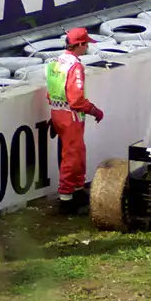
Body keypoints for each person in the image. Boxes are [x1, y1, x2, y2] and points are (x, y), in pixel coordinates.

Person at [46, 27, 105, 214]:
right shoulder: (75, 66)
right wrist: (94, 110)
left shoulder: (54, 62)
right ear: (78, 44)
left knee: (77, 153)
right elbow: (76, 99)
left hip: (58, 113)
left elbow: (50, 92)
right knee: (72, 156)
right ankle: (66, 199)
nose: (87, 47)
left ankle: (78, 190)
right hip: (71, 115)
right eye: (86, 44)